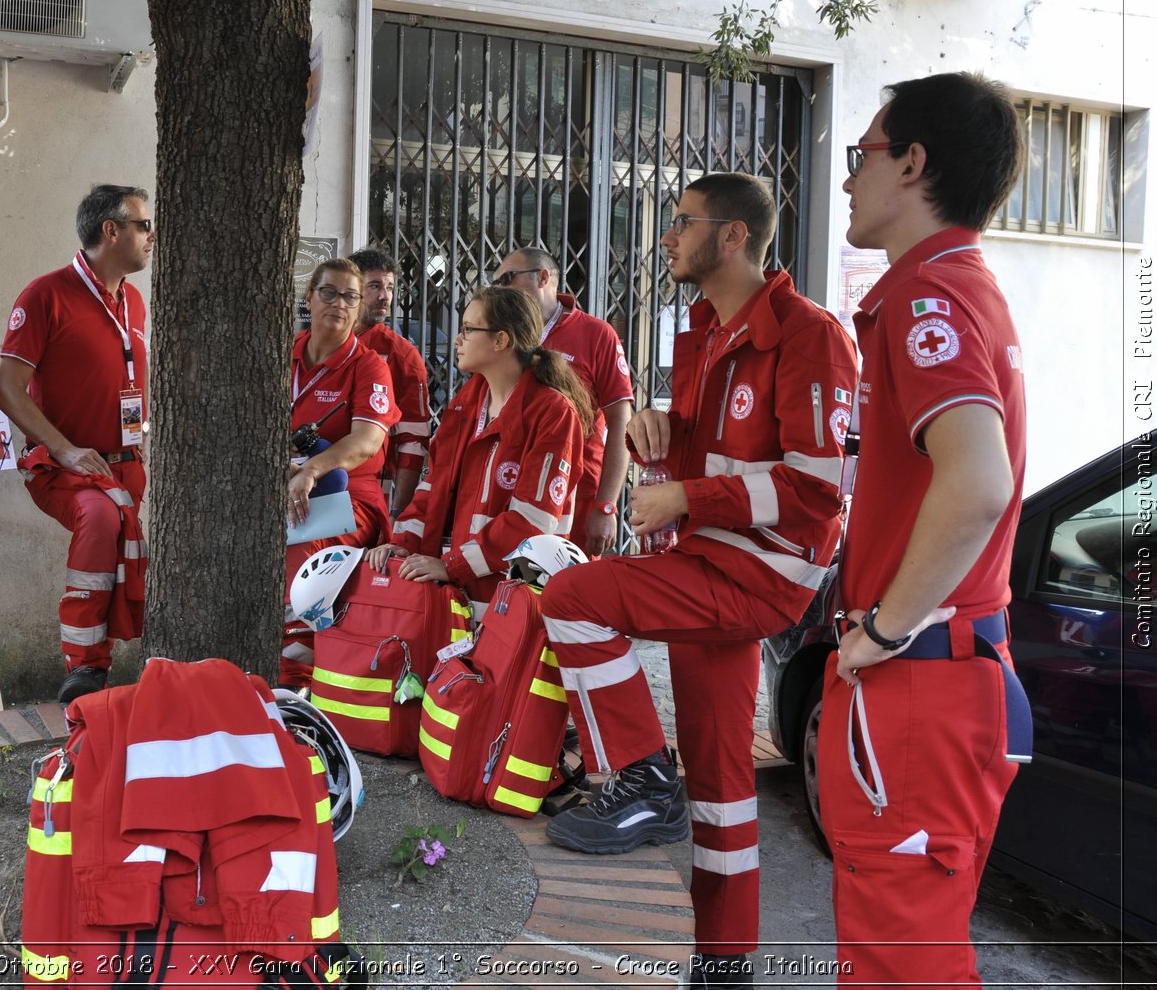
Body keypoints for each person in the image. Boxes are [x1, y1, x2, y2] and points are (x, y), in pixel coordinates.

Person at [537, 174, 858, 987]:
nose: (668, 237)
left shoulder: (809, 334)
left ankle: (642, 775)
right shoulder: (706, 330)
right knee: (723, 785)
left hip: (756, 575)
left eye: (681, 222)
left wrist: (686, 492)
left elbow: (817, 487)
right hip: (709, 559)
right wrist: (661, 439)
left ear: (735, 236)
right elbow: (716, 458)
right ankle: (724, 965)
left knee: (572, 597)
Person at [821, 73, 1029, 987]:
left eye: (862, 154)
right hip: (947, 674)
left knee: (900, 963)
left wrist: (881, 628)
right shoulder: (957, 286)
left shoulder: (926, 296)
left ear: (912, 163)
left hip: (920, 679)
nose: (848, 180)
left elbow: (980, 482)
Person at [0, 185, 153, 705]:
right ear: (111, 231)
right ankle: (85, 665)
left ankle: (111, 661)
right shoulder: (45, 294)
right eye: (143, 225)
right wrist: (64, 449)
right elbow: (8, 391)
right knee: (102, 521)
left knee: (121, 549)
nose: (152, 236)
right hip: (64, 467)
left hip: (125, 464)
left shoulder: (132, 299)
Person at [366, 286, 589, 621]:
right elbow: (430, 490)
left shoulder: (553, 412)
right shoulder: (465, 404)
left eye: (468, 329)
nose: (457, 339)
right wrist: (404, 544)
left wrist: (451, 565)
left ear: (501, 340)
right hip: (456, 593)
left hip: (513, 599)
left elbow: (532, 521)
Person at [283, 258, 399, 684]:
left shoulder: (369, 366)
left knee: (299, 553)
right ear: (309, 297)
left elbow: (367, 441)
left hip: (347, 497)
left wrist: (311, 469)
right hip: (285, 485)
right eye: (328, 292)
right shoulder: (285, 355)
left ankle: (291, 681)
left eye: (350, 296)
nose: (339, 303)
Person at [491, 247, 633, 556]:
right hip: (508, 488)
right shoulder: (501, 336)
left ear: (542, 278)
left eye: (508, 279)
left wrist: (606, 506)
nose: (499, 289)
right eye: (496, 282)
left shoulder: (596, 335)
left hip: (575, 496)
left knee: (565, 593)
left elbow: (622, 424)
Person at [348, 248, 431, 515]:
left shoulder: (402, 355)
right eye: (374, 286)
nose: (385, 296)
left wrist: (398, 513)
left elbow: (413, 441)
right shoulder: (320, 343)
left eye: (390, 287)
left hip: (370, 494)